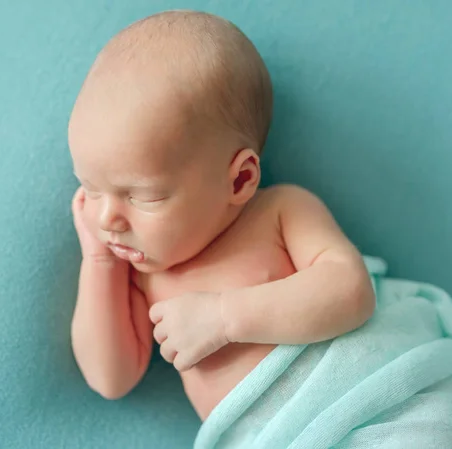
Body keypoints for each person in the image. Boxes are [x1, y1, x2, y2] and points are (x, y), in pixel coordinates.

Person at [68, 10, 375, 420]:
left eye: (144, 196)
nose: (108, 218)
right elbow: (111, 378)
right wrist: (99, 260)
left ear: (238, 180)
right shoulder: (144, 276)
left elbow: (351, 291)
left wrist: (225, 318)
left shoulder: (280, 211)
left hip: (367, 402)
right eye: (91, 189)